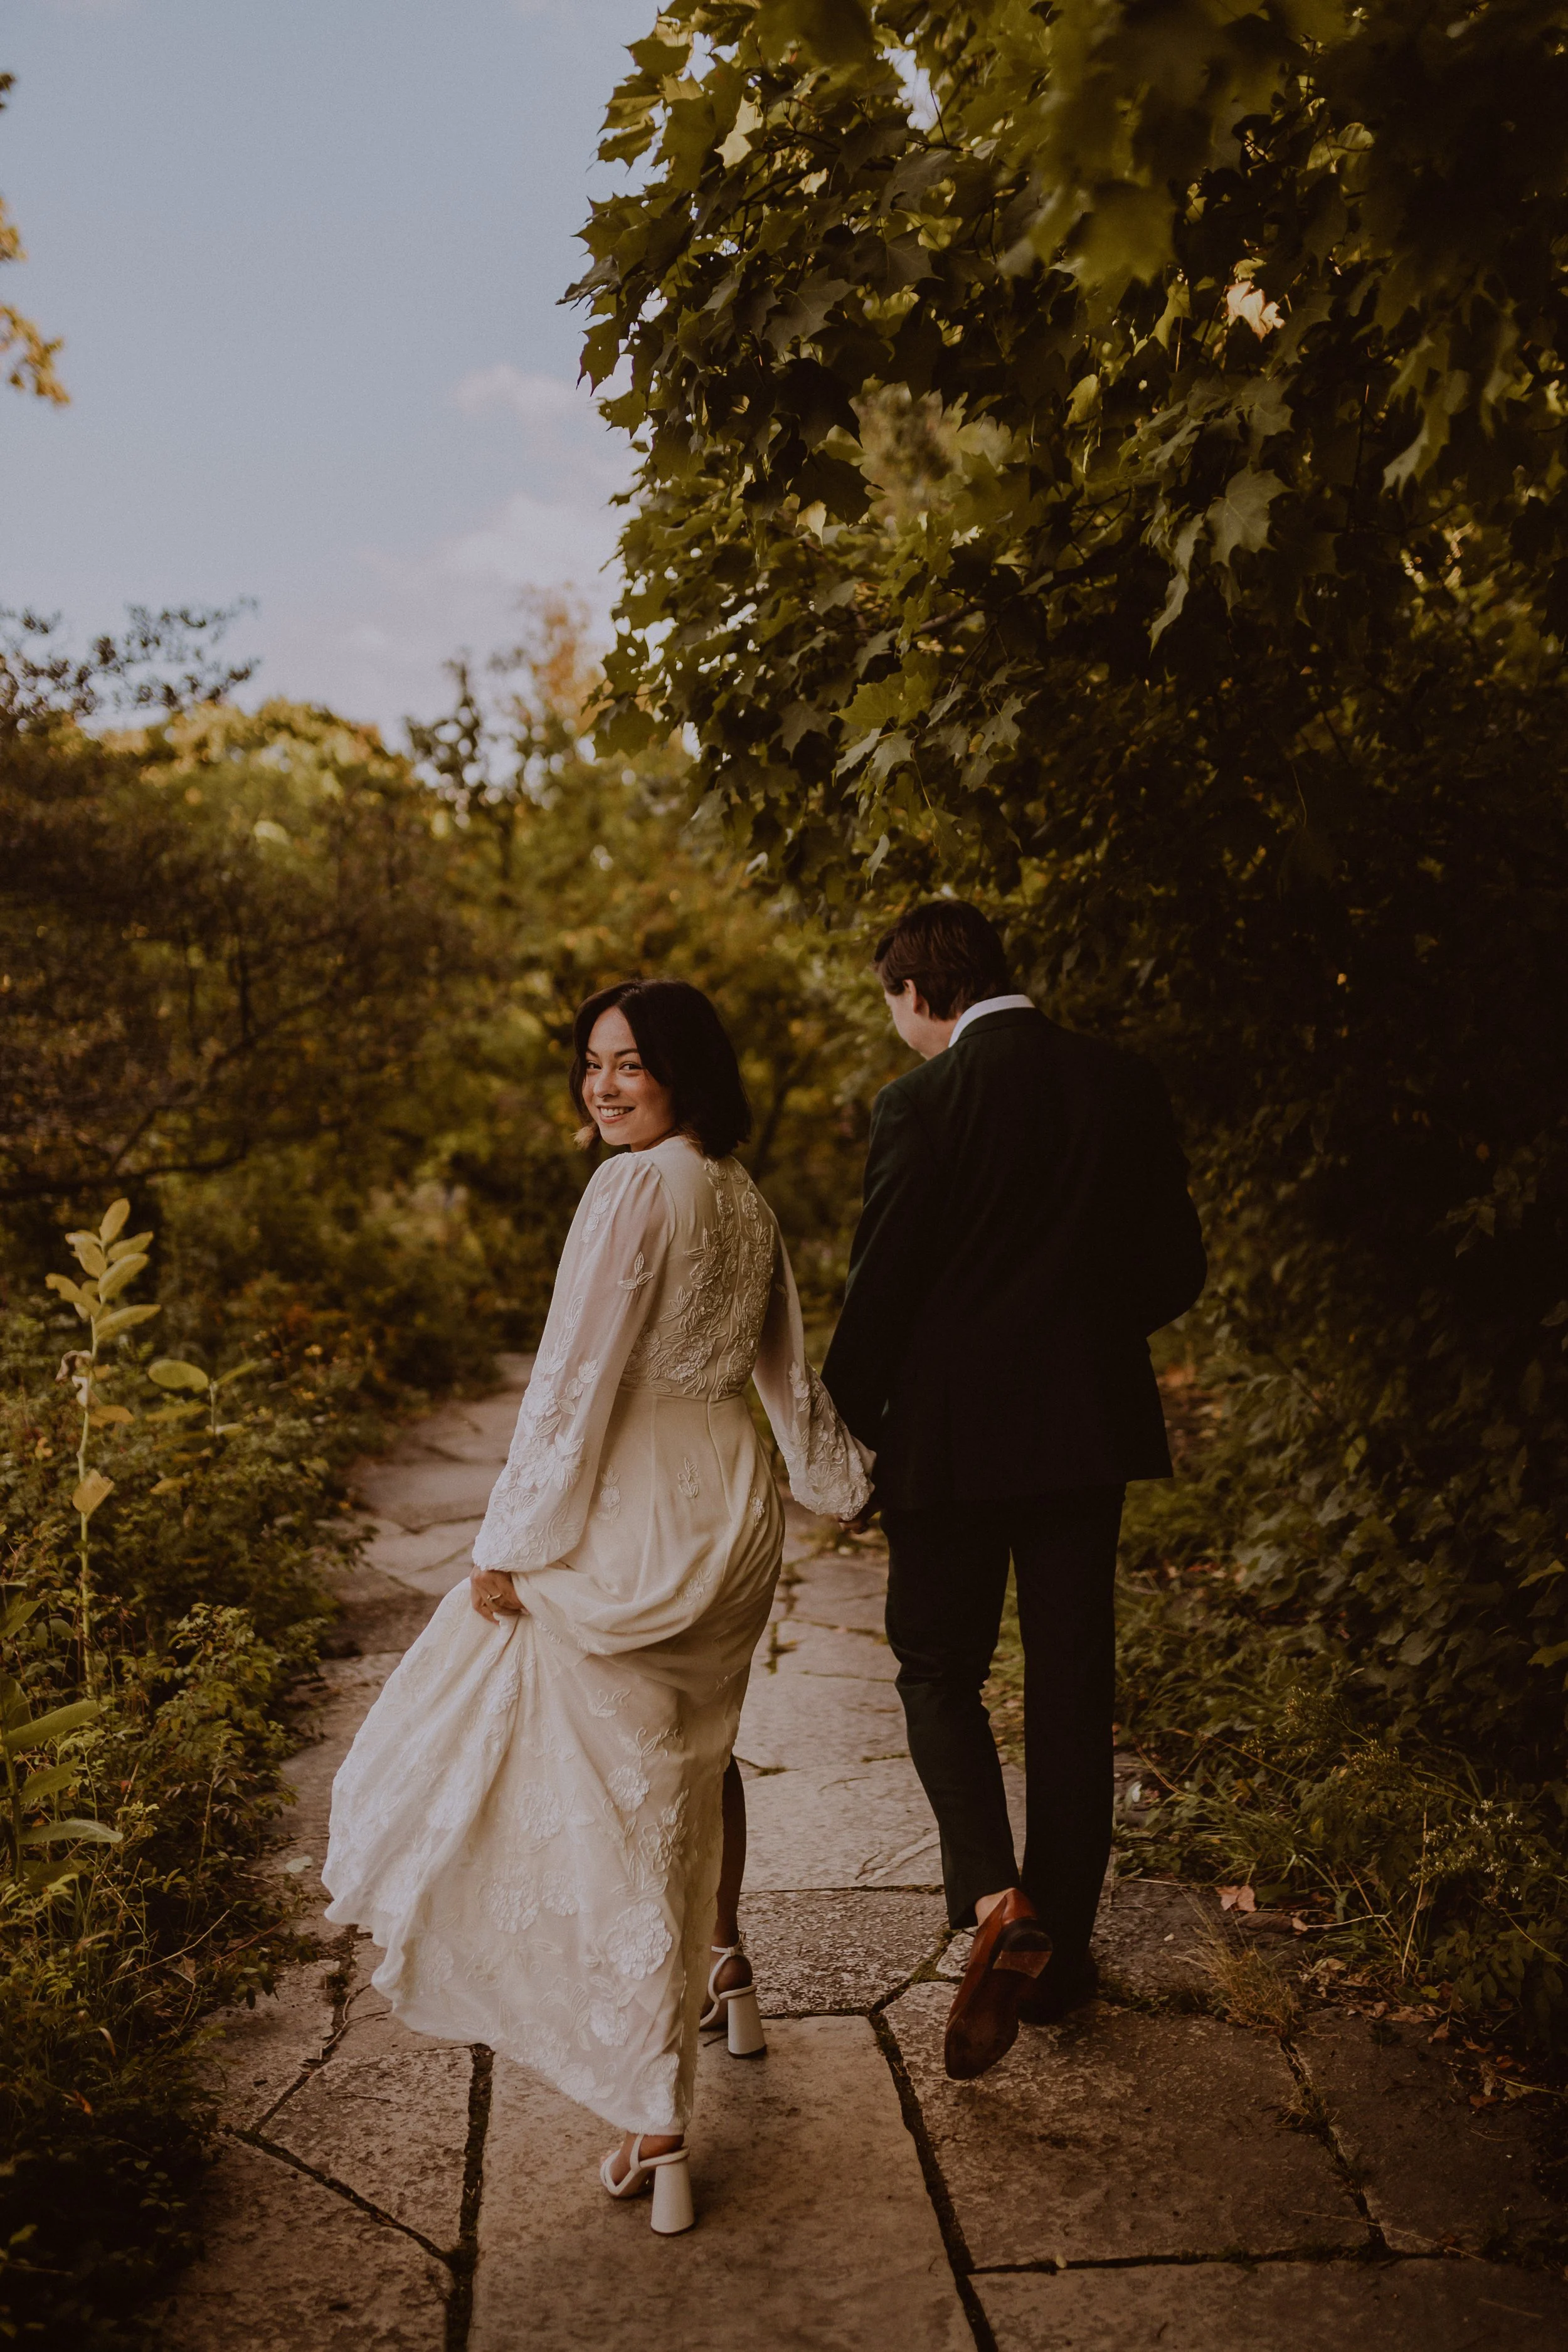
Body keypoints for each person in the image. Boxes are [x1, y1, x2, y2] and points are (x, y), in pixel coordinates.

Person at [323, 979, 871, 2233]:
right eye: (590, 1066)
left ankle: (653, 2111)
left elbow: (574, 1375)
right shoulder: (740, 1195)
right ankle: (723, 1965)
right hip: (727, 1517)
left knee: (620, 1799)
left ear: (682, 1068)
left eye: (629, 1064)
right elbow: (784, 1376)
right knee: (689, 1757)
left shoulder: (635, 1190)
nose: (604, 1085)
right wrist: (833, 1483)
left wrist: (509, 1542)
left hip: (635, 1519)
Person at [822, 903, 1205, 2080]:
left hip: (949, 1441)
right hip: (1083, 1435)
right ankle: (1064, 1954)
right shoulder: (1120, 1079)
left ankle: (996, 1901)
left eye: (893, 1005)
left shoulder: (921, 1103)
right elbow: (1177, 1263)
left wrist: (847, 1424)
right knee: (1071, 1678)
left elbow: (881, 1288)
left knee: (938, 1666)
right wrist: (1082, 1339)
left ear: (914, 989)